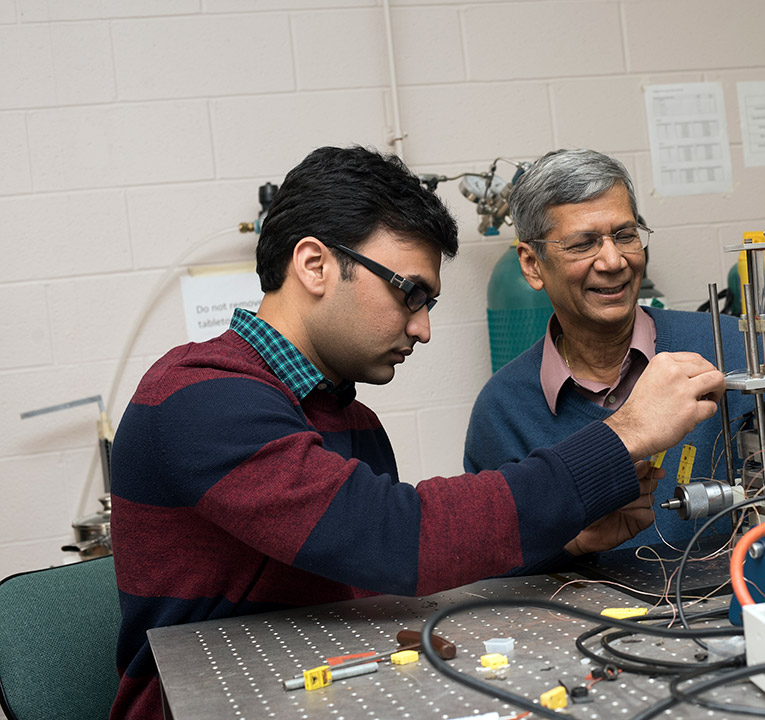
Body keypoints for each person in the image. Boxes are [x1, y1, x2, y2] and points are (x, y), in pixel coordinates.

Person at [108, 145, 728, 720]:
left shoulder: (352, 423)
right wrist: (622, 436)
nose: (423, 329)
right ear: (315, 264)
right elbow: (397, 538)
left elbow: (386, 577)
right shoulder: (198, 395)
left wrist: (572, 538)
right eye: (410, 294)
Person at [464, 149, 754, 550]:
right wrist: (572, 543)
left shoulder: (731, 347)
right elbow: (490, 561)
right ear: (533, 265)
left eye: (625, 235)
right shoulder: (504, 410)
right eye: (583, 244)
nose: (613, 260)